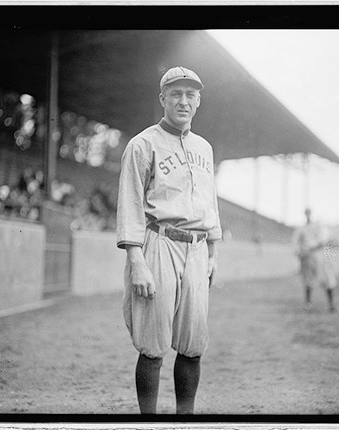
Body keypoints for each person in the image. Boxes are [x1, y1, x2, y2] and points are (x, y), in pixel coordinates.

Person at [116, 66, 222, 414]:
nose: (183, 101)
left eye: (190, 94)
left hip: (196, 248)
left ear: (198, 101)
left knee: (193, 345)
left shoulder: (204, 148)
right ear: (163, 99)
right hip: (159, 243)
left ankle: (184, 420)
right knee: (153, 345)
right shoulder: (142, 144)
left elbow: (210, 202)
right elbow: (130, 205)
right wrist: (136, 261)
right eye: (176, 93)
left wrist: (213, 251)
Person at [292, 208, 337, 312]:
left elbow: (323, 240)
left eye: (309, 213)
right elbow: (295, 243)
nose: (308, 215)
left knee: (327, 279)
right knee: (308, 280)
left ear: (311, 213)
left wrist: (311, 247)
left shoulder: (318, 226)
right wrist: (299, 252)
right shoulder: (301, 228)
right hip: (307, 258)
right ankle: (308, 303)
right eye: (306, 213)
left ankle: (331, 303)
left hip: (319, 257)